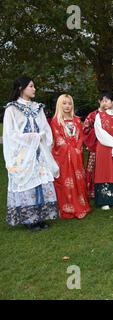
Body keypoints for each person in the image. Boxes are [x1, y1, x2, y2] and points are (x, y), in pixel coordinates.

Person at [3, 76, 60, 231]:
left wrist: (44, 140)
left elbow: (46, 129)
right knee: (27, 182)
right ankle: (29, 219)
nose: (34, 89)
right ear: (22, 88)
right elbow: (10, 134)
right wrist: (33, 137)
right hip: (23, 154)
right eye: (31, 86)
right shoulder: (12, 109)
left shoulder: (37, 107)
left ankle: (40, 216)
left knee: (41, 182)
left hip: (39, 152)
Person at [50, 94, 91, 219]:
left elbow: (80, 137)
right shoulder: (56, 121)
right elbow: (57, 139)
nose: (67, 106)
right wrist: (69, 149)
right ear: (59, 105)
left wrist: (77, 148)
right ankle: (67, 206)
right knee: (65, 181)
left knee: (78, 178)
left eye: (69, 103)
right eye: (64, 103)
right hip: (63, 157)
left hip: (76, 156)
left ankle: (80, 204)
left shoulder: (77, 120)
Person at [83, 94, 106, 198]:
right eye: (103, 101)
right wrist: (98, 131)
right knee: (93, 168)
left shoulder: (112, 115)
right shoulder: (92, 115)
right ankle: (92, 190)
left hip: (108, 147)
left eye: (108, 101)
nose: (105, 103)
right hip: (95, 147)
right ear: (99, 101)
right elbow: (85, 130)